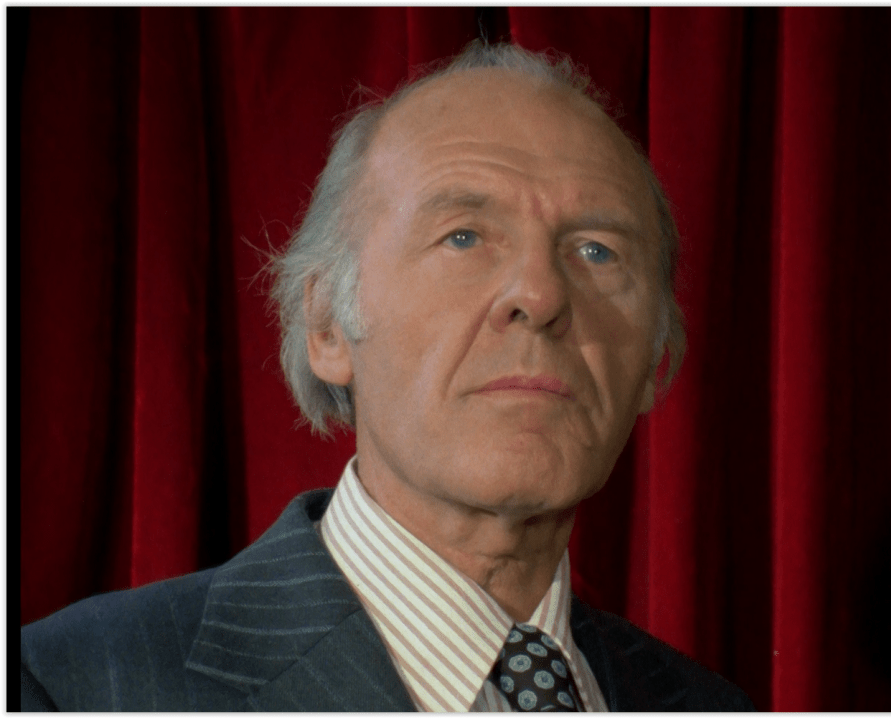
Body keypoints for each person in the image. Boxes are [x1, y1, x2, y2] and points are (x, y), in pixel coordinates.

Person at [21, 41, 754, 712]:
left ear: (655, 357)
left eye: (597, 251)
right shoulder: (66, 686)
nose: (540, 295)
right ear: (327, 325)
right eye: (462, 236)